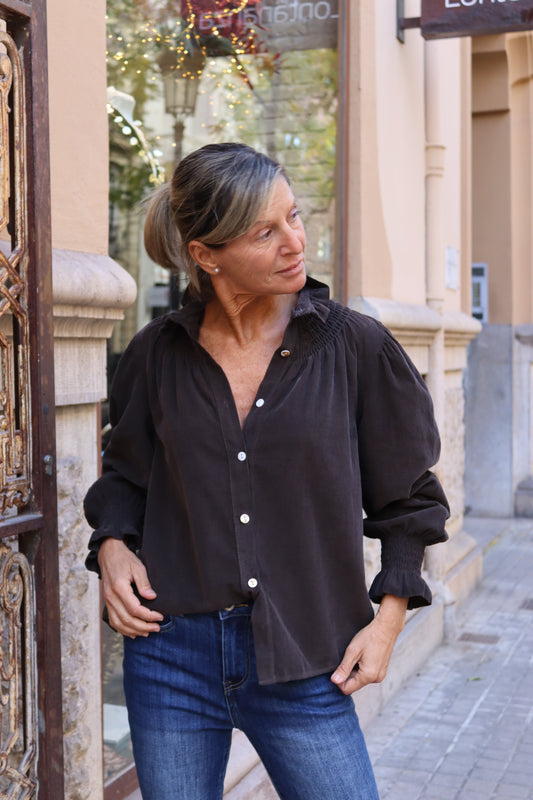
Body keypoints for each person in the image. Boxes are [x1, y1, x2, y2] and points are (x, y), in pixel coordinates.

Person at [84, 142, 449, 800]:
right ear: (206, 255)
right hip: (170, 656)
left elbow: (411, 499)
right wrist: (112, 545)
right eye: (264, 232)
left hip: (306, 655)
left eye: (293, 216)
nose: (294, 242)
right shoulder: (156, 354)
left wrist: (389, 620)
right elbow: (125, 478)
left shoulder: (354, 346)